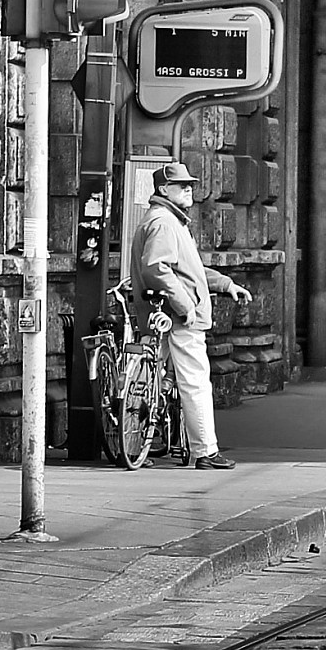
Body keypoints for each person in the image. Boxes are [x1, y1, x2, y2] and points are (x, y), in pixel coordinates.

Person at [132, 162, 249, 469]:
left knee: (149, 379)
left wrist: (225, 284)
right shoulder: (165, 223)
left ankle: (134, 444)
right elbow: (157, 268)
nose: (188, 190)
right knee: (195, 381)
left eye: (190, 185)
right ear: (162, 190)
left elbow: (190, 271)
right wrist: (185, 306)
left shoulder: (169, 221)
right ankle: (205, 451)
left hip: (164, 315)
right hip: (178, 318)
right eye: (181, 185)